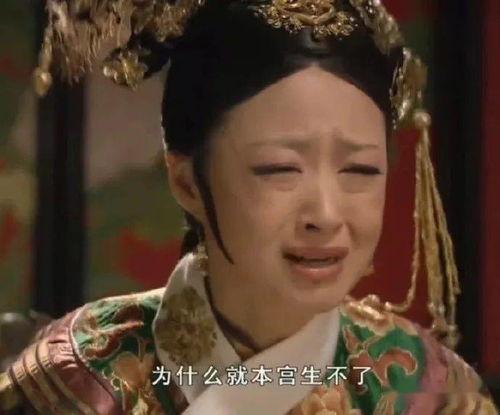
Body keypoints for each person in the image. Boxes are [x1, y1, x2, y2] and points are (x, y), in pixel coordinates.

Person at [0, 0, 497, 413]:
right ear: (187, 182)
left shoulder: (428, 389)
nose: (326, 214)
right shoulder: (76, 384)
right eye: (280, 169)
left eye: (360, 171)